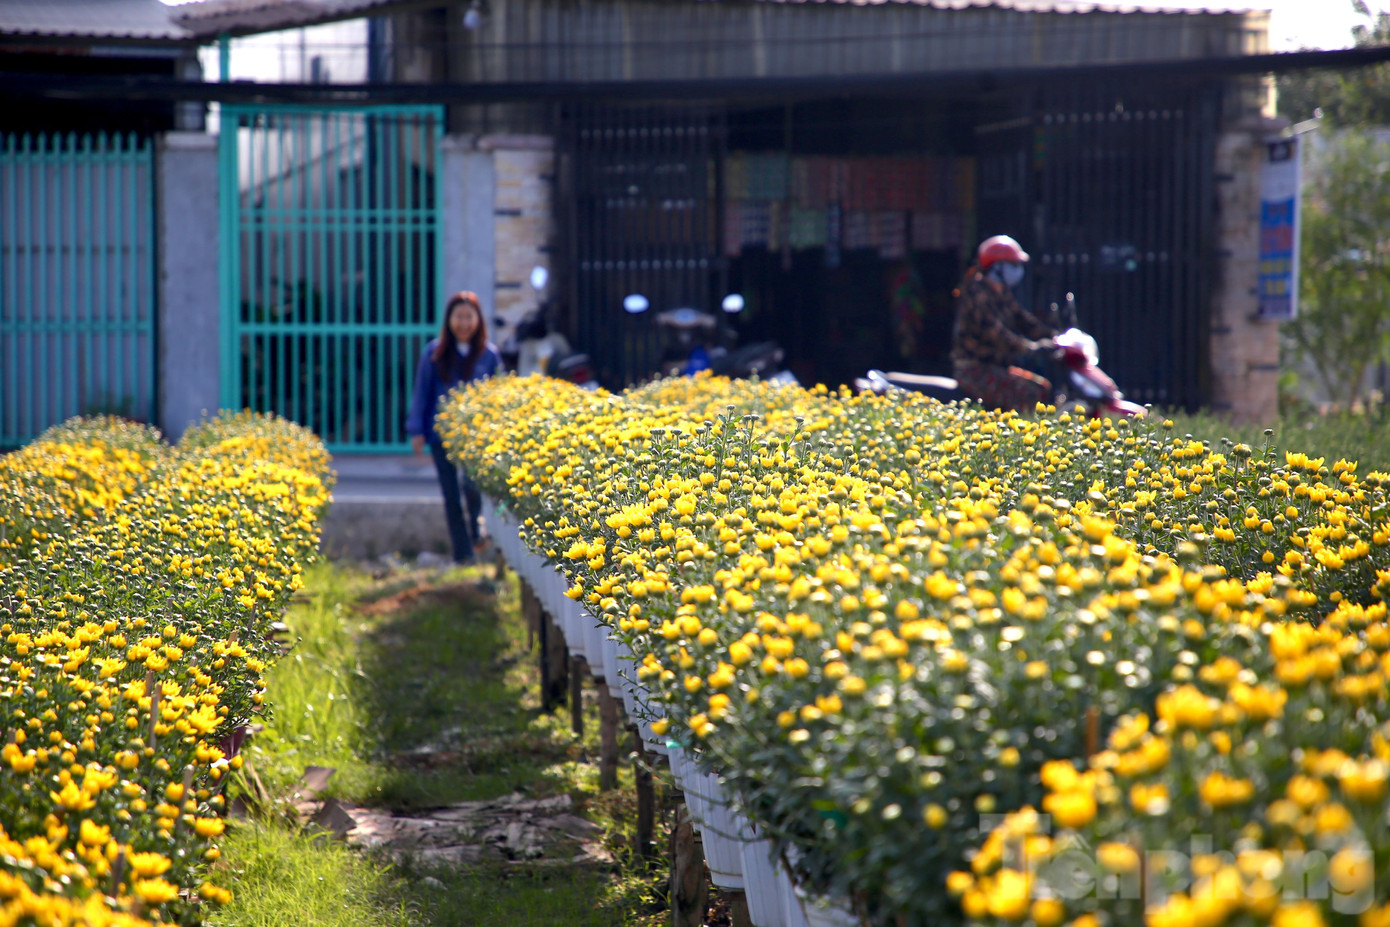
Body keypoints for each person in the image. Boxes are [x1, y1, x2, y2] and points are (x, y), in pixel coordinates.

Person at [407, 290, 503, 565]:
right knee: (450, 496)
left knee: (471, 486)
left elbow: (499, 396)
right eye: (458, 317)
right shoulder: (434, 352)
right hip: (442, 436)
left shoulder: (489, 355)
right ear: (449, 320)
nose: (463, 323)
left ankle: (476, 533)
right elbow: (422, 392)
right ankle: (463, 555)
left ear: (478, 320)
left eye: (468, 317)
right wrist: (417, 430)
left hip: (476, 437)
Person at [950, 234, 1059, 413]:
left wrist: (1053, 336)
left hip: (996, 368)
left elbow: (1023, 320)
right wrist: (1030, 347)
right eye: (1013, 265)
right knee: (1029, 392)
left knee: (1043, 388)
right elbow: (996, 333)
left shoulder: (1001, 292)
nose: (1018, 270)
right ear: (997, 267)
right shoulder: (978, 294)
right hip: (975, 371)